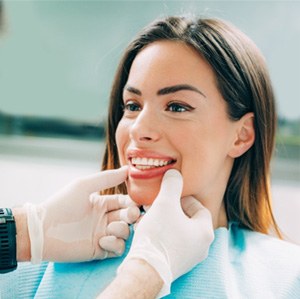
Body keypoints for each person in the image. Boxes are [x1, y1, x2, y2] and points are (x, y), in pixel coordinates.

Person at [2, 14, 300, 299]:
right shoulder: (32, 264)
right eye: (132, 105)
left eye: (177, 107)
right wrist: (26, 232)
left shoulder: (288, 279)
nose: (138, 128)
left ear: (242, 135)